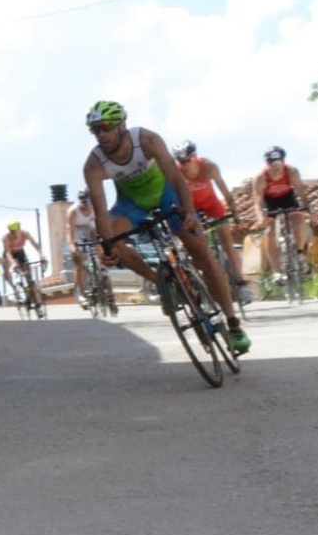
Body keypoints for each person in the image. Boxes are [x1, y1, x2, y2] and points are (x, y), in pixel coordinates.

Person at [80, 100, 251, 353]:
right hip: (132, 204)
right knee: (104, 237)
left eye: (106, 127)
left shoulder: (146, 140)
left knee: (202, 252)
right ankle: (162, 284)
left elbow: (175, 177)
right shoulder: (94, 164)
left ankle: (233, 324)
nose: (101, 134)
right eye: (95, 130)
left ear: (122, 125)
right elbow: (101, 211)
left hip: (166, 194)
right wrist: (107, 246)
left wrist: (190, 211)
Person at [172, 140, 253, 304]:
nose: (185, 165)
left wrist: (235, 213)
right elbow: (176, 199)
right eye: (181, 162)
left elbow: (225, 191)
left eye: (188, 160)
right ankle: (202, 283)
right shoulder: (177, 173)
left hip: (211, 204)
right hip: (191, 208)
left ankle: (240, 283)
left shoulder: (209, 167)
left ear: (195, 158)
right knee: (198, 242)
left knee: (226, 236)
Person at [252, 145, 311, 283]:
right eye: (271, 163)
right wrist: (261, 218)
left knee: (298, 221)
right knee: (269, 232)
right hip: (270, 201)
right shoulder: (261, 178)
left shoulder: (292, 172)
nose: (275, 166)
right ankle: (277, 272)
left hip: (288, 198)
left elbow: (301, 192)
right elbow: (258, 201)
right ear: (266, 163)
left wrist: (306, 209)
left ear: (283, 161)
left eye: (278, 162)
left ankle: (300, 253)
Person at [3, 220, 45, 316]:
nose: (13, 234)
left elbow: (36, 245)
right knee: (6, 273)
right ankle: (16, 289)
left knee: (30, 279)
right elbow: (7, 253)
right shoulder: (6, 238)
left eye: (15, 232)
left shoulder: (25, 234)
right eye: (11, 232)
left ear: (19, 229)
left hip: (20, 253)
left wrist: (42, 255)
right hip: (10, 254)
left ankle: (37, 305)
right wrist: (13, 263)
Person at [67, 188, 98, 308]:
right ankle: (82, 292)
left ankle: (102, 272)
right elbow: (69, 230)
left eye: (86, 201)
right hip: (77, 230)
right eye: (82, 201)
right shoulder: (73, 211)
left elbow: (100, 223)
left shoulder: (95, 207)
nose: (84, 204)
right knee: (78, 260)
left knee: (100, 242)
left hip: (90, 227)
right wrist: (72, 245)